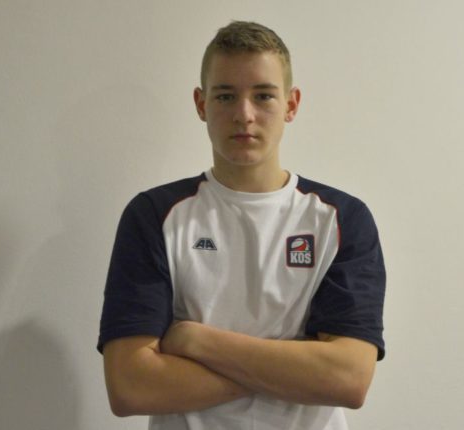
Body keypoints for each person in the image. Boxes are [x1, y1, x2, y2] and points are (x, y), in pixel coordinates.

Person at [97, 21, 386, 430]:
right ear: (201, 104)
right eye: (225, 96)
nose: (244, 115)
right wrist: (296, 371)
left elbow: (348, 380)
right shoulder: (153, 215)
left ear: (291, 104)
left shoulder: (340, 219)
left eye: (263, 95)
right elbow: (131, 387)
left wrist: (196, 340)